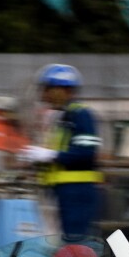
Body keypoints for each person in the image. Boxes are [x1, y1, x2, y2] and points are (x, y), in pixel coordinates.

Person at [19, 64, 103, 240]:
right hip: (65, 192)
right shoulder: (63, 116)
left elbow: (86, 153)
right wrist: (37, 158)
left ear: (61, 90)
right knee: (69, 242)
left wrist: (50, 155)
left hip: (77, 192)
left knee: (76, 241)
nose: (44, 94)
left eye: (48, 88)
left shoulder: (80, 115)